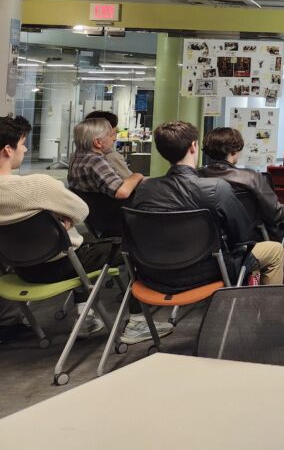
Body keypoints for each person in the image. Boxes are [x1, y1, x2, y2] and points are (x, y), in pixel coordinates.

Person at [0, 115, 169, 344]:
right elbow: (81, 210)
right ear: (8, 150)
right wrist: (63, 217)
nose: (27, 148)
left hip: (19, 269)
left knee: (81, 246)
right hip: (62, 264)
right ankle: (138, 322)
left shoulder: (73, 163)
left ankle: (86, 315)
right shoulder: (38, 185)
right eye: (22, 143)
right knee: (136, 248)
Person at [132, 122, 284, 291]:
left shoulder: (145, 189)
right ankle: (270, 313)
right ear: (193, 147)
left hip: (152, 272)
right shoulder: (216, 188)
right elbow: (243, 236)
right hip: (207, 271)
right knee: (275, 250)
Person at [199, 127, 284, 241]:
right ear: (234, 150)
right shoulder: (251, 177)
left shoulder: (196, 177)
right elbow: (275, 212)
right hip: (248, 239)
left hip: (207, 240)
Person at [67, 117, 144, 203]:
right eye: (111, 135)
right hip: (107, 212)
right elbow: (121, 192)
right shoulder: (95, 161)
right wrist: (137, 176)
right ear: (98, 143)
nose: (114, 139)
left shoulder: (75, 157)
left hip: (89, 210)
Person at [83, 110, 133, 180]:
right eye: (111, 134)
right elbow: (129, 181)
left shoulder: (79, 158)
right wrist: (137, 176)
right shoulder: (111, 157)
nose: (115, 138)